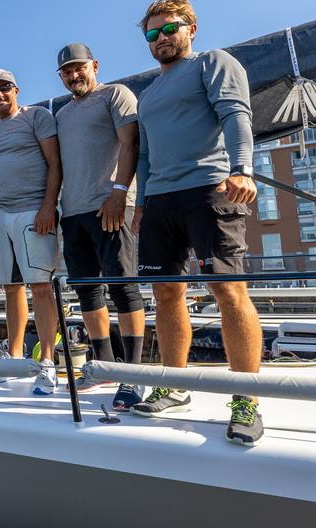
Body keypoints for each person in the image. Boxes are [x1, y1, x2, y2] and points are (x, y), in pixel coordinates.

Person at [129, 0, 262, 446]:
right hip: (161, 201)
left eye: (170, 29)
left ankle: (247, 398)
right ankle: (174, 384)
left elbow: (235, 116)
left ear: (191, 28)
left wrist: (241, 168)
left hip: (209, 188)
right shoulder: (147, 96)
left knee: (227, 290)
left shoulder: (213, 63)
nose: (162, 38)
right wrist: (141, 203)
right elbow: (144, 156)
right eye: (152, 33)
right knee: (166, 293)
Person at [54, 45, 147, 410]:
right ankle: (103, 366)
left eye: (78, 68)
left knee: (124, 288)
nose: (73, 75)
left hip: (109, 206)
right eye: (65, 72)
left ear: (94, 65)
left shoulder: (116, 94)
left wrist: (119, 193)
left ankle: (133, 373)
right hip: (73, 212)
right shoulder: (60, 114)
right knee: (88, 292)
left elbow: (131, 143)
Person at [0, 69, 62, 395]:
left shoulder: (37, 117)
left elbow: (54, 162)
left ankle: (48, 363)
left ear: (16, 89)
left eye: (4, 89)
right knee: (11, 287)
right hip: (2, 215)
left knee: (41, 287)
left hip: (34, 211)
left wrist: (48, 206)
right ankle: (15, 357)